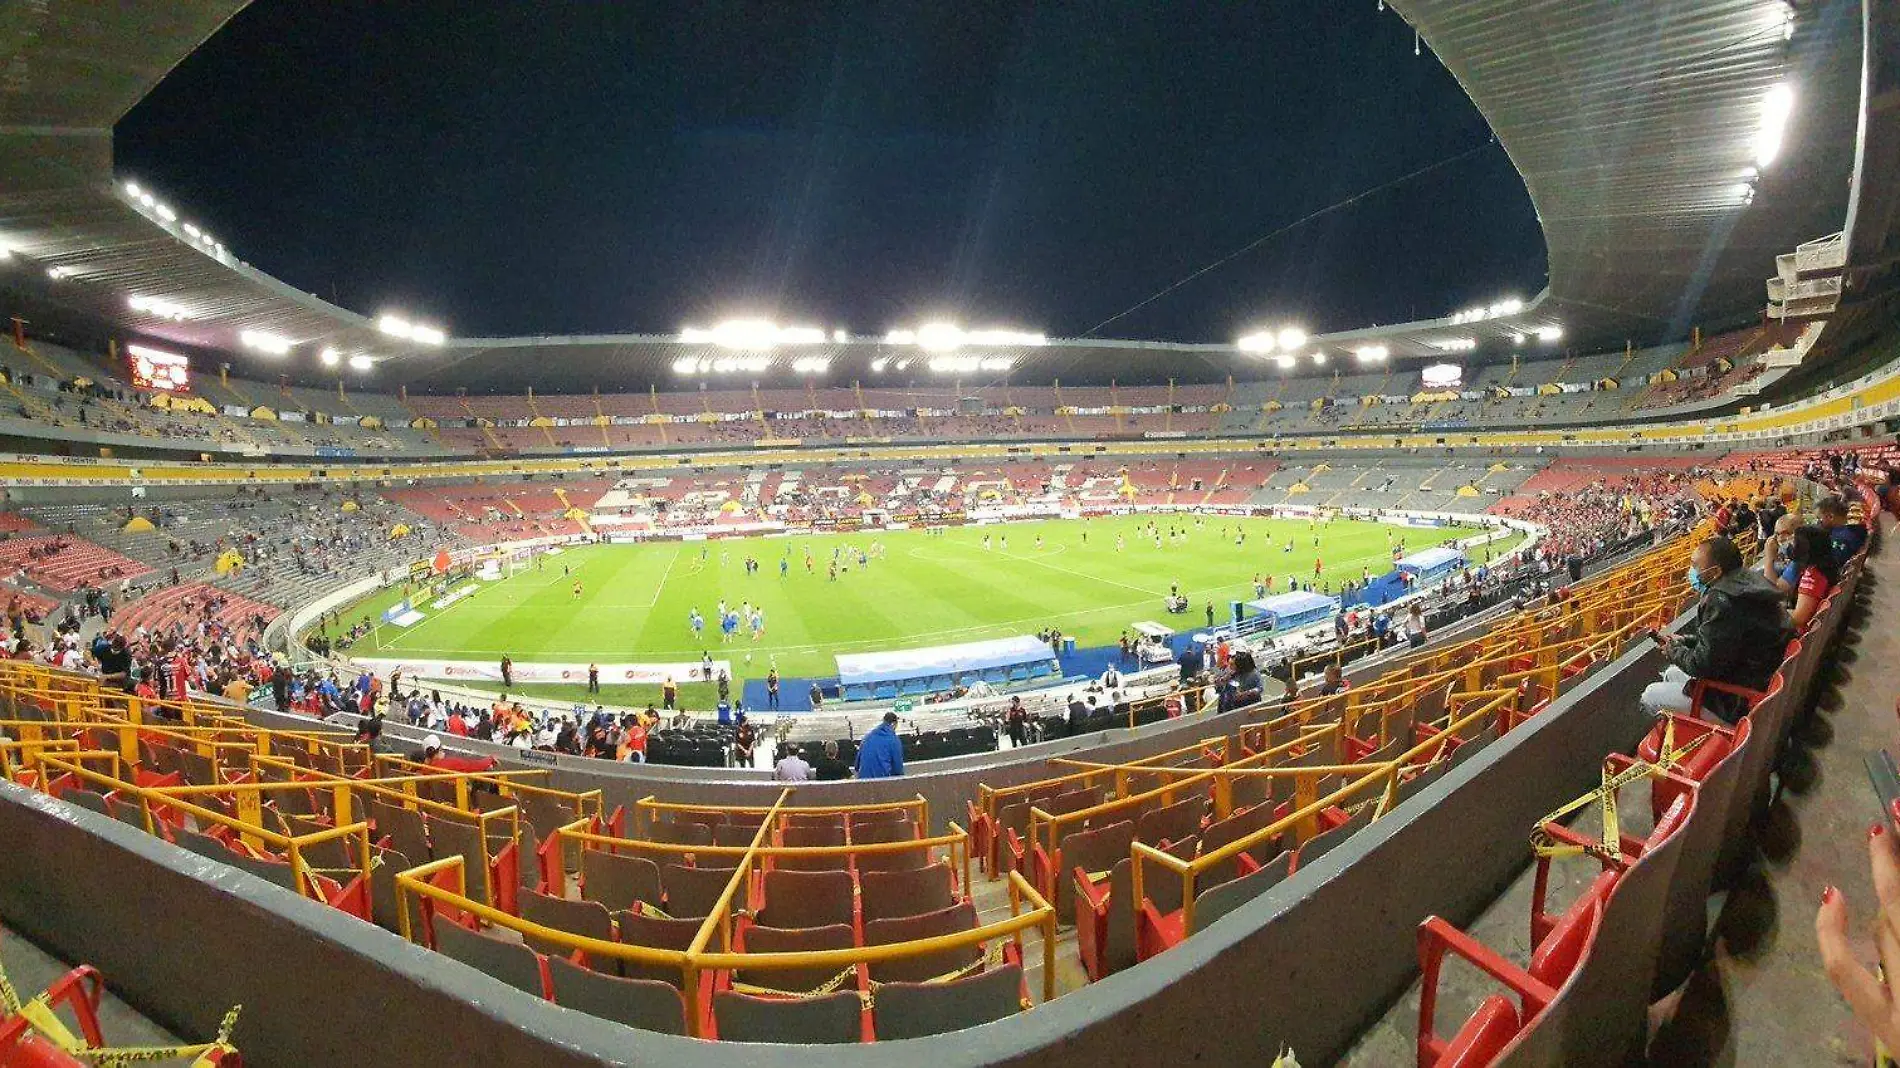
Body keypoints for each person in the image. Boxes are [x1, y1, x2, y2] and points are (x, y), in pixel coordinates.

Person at [1642, 536, 1795, 722]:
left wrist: (1672, 650)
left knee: (1650, 695)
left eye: (1695, 565)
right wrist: (1686, 641)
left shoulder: (1722, 601)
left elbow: (1702, 665)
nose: (1692, 570)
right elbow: (1725, 641)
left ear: (1715, 572)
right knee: (1671, 673)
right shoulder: (1747, 581)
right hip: (1753, 677)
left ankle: (1702, 738)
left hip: (1739, 701)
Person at [1816, 494, 1868, 566]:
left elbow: (1832, 561)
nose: (1820, 521)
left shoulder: (1840, 538)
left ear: (1831, 517)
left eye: (1821, 518)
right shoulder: (1854, 527)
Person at [855, 711, 905, 778]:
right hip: (882, 781)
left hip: (863, 781)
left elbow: (856, 766)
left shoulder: (867, 737)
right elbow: (898, 768)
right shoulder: (894, 740)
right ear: (893, 724)